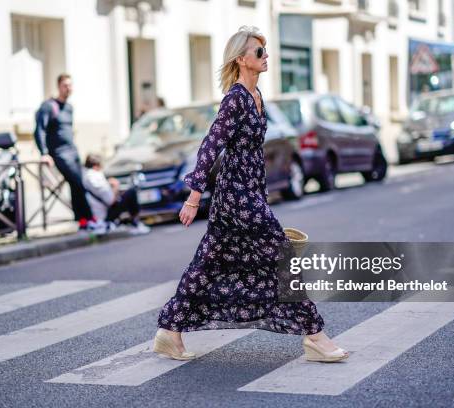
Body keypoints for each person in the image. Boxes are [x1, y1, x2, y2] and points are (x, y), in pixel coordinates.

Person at [152, 26, 349, 362]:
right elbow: (211, 145)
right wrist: (194, 196)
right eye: (259, 52)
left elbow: (253, 154)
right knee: (280, 257)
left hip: (249, 194)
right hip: (236, 199)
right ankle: (315, 335)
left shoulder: (257, 98)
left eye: (265, 50)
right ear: (241, 59)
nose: (265, 56)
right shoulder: (235, 99)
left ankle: (169, 332)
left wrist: (261, 193)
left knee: (206, 266)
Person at [34, 73, 96, 231]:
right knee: (76, 181)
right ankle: (89, 218)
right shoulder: (49, 106)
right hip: (59, 153)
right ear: (59, 86)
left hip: (72, 151)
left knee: (79, 183)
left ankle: (84, 220)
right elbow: (39, 130)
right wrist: (44, 153)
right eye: (65, 85)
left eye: (70, 85)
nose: (68, 88)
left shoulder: (69, 108)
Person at [82, 153, 151, 235]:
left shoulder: (86, 175)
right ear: (96, 166)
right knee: (131, 193)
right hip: (105, 215)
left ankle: (134, 222)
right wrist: (115, 186)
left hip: (100, 213)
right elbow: (111, 200)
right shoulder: (95, 176)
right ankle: (135, 223)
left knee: (127, 195)